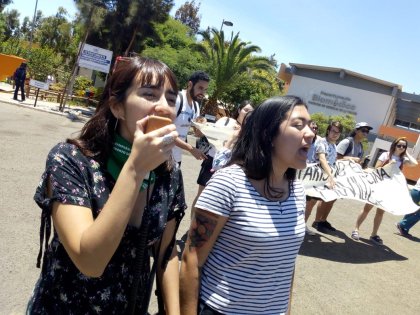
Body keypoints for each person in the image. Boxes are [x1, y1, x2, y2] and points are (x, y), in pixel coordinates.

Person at [27, 57, 186, 314]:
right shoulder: (71, 160)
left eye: (170, 98)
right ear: (117, 107)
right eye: (149, 94)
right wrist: (136, 168)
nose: (164, 107)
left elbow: (165, 253)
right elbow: (90, 261)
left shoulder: (169, 174)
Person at [180, 96, 315, 315]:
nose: (310, 133)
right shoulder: (229, 183)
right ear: (268, 134)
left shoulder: (297, 191)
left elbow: (286, 267)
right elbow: (191, 262)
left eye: (311, 126)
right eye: (298, 125)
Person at [351, 137, 418, 245]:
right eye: (399, 145)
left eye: (404, 146)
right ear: (394, 145)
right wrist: (389, 164)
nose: (401, 147)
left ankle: (373, 234)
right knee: (366, 208)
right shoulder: (386, 155)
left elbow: (414, 163)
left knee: (380, 212)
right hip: (378, 186)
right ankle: (356, 229)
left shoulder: (402, 159)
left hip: (388, 189)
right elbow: (377, 169)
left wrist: (407, 153)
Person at [312, 121, 372, 232]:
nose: (366, 133)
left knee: (332, 199)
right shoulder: (347, 142)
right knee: (325, 198)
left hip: (343, 177)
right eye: (363, 130)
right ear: (356, 130)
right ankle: (316, 221)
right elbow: (336, 158)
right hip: (332, 174)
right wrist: (350, 158)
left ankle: (323, 220)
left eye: (367, 131)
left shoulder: (360, 146)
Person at [306, 121, 342, 234]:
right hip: (313, 178)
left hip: (322, 180)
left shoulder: (334, 145)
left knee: (312, 203)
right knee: (308, 204)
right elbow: (322, 159)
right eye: (333, 131)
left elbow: (332, 162)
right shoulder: (322, 142)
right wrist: (330, 175)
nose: (335, 134)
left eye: (338, 132)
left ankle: (302, 225)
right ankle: (298, 227)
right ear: (328, 131)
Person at [173, 71, 210, 166]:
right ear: (190, 84)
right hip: (161, 156)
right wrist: (191, 149)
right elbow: (166, 133)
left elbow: (197, 133)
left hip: (176, 158)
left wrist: (203, 125)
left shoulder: (196, 106)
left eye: (205, 90)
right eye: (200, 88)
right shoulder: (176, 100)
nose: (203, 93)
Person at [211, 100, 254, 171]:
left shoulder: (249, 132)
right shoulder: (225, 121)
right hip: (212, 158)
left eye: (251, 112)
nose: (247, 113)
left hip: (229, 164)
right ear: (239, 110)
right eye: (246, 110)